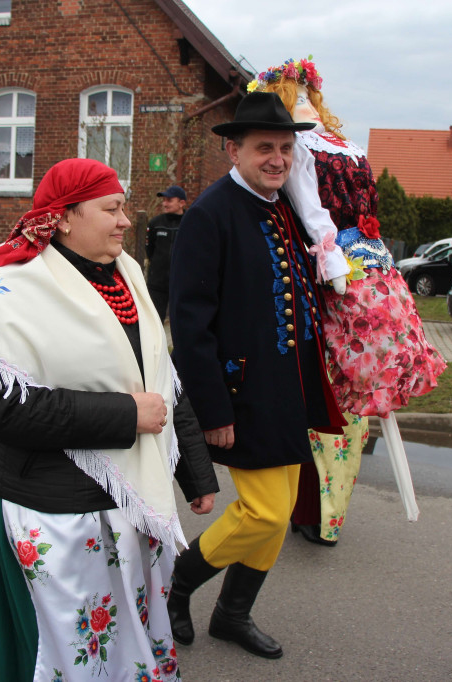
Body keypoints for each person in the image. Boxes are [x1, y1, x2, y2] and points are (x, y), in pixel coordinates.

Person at [0, 158, 218, 681]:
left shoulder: (129, 276)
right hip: (53, 501)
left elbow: (159, 377)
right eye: (112, 209)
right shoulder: (12, 292)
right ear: (65, 218)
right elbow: (0, 410)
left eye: (125, 208)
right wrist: (124, 415)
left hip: (127, 498)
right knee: (68, 640)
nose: (126, 221)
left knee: (123, 629)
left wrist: (194, 473)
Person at [167, 92, 348, 659]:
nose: (277, 158)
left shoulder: (286, 207)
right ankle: (176, 584)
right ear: (234, 150)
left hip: (287, 390)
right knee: (264, 512)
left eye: (286, 148)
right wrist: (214, 409)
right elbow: (191, 326)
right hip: (241, 394)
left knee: (278, 511)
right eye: (264, 148)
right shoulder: (209, 213)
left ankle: (232, 614)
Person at [258, 58, 446, 545]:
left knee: (360, 393)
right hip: (335, 273)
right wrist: (329, 254)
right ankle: (314, 509)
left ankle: (326, 512)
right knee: (337, 387)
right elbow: (309, 204)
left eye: (305, 91)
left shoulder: (342, 142)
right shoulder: (298, 143)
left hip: (372, 268)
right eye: (291, 93)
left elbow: (363, 209)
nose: (303, 99)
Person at [145, 185, 187, 322]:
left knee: (182, 320)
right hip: (157, 282)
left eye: (169, 200)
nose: (164, 203)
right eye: (164, 200)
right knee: (155, 320)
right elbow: (149, 249)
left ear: (181, 203)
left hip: (181, 282)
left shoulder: (190, 223)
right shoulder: (155, 223)